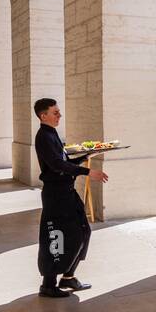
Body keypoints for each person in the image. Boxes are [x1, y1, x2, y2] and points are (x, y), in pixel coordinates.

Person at [32, 97, 104, 298]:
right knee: (57, 237)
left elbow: (63, 159)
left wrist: (87, 155)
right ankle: (48, 284)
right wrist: (87, 172)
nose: (59, 115)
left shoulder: (51, 133)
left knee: (83, 231)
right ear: (43, 115)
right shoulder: (43, 136)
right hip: (56, 196)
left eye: (58, 112)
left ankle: (68, 276)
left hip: (66, 192)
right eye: (55, 113)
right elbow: (56, 165)